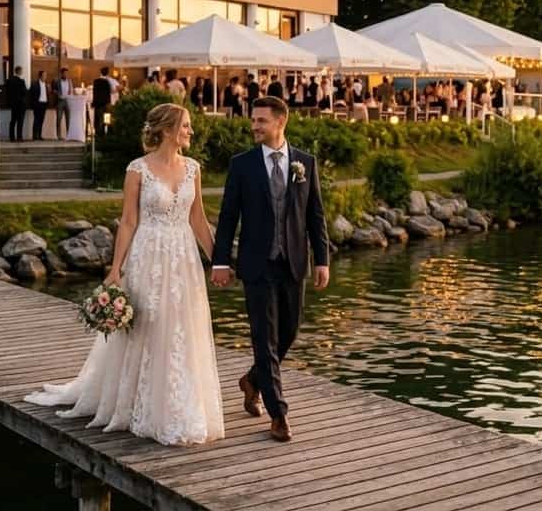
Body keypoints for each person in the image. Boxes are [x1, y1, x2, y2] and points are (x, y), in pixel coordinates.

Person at [25, 104, 224, 446]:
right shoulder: (138, 170)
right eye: (186, 126)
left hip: (183, 259)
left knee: (180, 328)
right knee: (148, 325)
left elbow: (198, 220)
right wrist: (115, 269)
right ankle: (136, 402)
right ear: (166, 130)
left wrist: (219, 261)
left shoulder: (193, 169)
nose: (191, 131)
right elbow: (129, 221)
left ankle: (178, 403)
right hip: (147, 256)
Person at [212, 96, 330, 443]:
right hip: (256, 263)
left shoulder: (305, 162)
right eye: (254, 120)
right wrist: (221, 261)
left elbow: (316, 215)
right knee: (264, 338)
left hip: (294, 261)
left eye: (261, 120)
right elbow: (228, 217)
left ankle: (252, 380)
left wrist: (321, 259)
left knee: (289, 332)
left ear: (281, 122)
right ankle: (279, 414)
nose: (255, 126)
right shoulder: (242, 164)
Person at [6, 66, 28, 142]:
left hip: (13, 104)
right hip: (21, 104)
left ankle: (11, 137)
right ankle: (19, 137)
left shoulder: (9, 81)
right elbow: (25, 92)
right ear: (19, 71)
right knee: (20, 121)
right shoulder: (22, 81)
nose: (22, 72)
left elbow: (8, 92)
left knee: (13, 120)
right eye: (21, 71)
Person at [92, 66, 112, 137]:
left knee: (99, 119)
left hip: (98, 104)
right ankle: (107, 134)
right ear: (107, 73)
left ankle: (99, 135)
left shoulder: (96, 81)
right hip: (106, 104)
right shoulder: (108, 81)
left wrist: (93, 103)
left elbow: (94, 93)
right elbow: (111, 91)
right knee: (107, 119)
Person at [29, 71, 49, 140]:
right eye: (44, 75)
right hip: (37, 104)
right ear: (40, 76)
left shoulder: (46, 84)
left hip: (44, 104)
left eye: (46, 75)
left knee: (41, 120)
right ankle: (34, 136)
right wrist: (33, 104)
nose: (45, 77)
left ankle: (40, 135)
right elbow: (31, 94)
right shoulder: (35, 84)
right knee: (36, 120)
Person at [54, 67, 73, 140]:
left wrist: (71, 92)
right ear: (61, 73)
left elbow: (71, 89)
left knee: (68, 119)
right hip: (60, 101)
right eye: (64, 73)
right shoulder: (57, 81)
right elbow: (54, 90)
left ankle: (69, 135)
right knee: (59, 119)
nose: (66, 74)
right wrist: (58, 94)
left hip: (68, 101)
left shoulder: (69, 81)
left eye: (67, 73)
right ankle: (59, 136)